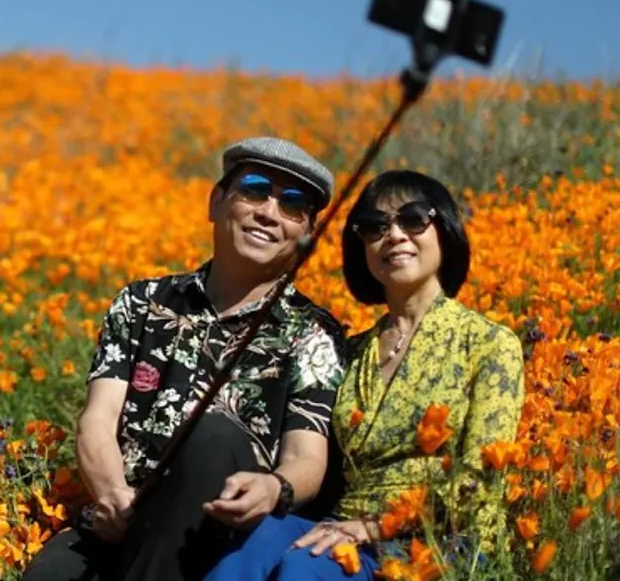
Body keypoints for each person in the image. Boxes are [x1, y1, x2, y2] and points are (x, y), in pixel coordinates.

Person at [21, 136, 352, 581]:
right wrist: (112, 494)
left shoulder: (314, 333)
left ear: (308, 233)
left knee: (213, 436)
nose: (269, 213)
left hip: (218, 537)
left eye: (293, 204)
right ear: (216, 202)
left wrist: (275, 487)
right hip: (121, 517)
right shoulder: (142, 302)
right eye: (255, 190)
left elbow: (306, 455)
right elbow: (98, 419)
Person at [204, 169, 526, 581]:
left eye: (413, 219)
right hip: (344, 528)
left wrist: (375, 527)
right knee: (254, 541)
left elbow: (481, 480)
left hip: (440, 541)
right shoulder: (349, 352)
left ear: (444, 230)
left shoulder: (487, 344)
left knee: (306, 567)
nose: (394, 235)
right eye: (375, 227)